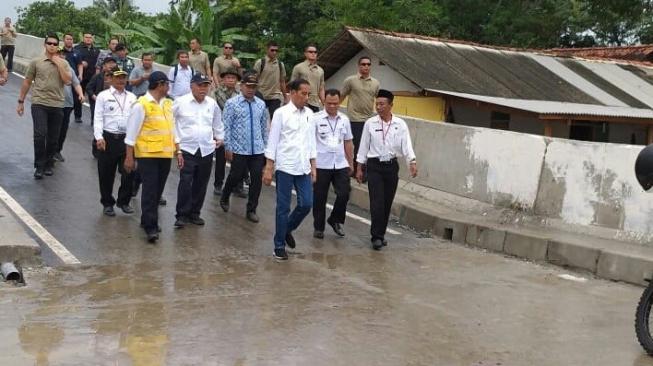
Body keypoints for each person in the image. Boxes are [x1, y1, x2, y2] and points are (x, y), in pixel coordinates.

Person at [355, 89, 418, 250]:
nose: (379, 107)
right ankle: (376, 236)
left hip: (391, 167)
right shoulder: (371, 123)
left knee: (386, 202)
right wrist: (359, 167)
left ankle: (381, 234)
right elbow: (363, 146)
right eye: (377, 104)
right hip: (374, 166)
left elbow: (406, 145)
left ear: (391, 105)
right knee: (377, 202)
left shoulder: (400, 124)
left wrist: (412, 161)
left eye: (382, 104)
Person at [263, 79, 316, 260]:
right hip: (285, 165)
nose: (306, 97)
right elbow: (273, 140)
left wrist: (313, 166)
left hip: (303, 166)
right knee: (283, 207)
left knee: (306, 204)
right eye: (303, 93)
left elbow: (311, 142)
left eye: (308, 94)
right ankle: (278, 246)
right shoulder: (281, 113)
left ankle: (287, 229)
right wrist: (269, 167)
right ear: (292, 93)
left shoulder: (310, 114)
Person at [124, 71, 180, 243]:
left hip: (165, 154)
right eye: (167, 84)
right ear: (159, 85)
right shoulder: (141, 104)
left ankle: (147, 219)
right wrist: (129, 157)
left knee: (158, 191)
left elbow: (173, 128)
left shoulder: (168, 104)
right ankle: (151, 227)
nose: (169, 87)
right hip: (147, 154)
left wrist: (178, 151)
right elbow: (131, 134)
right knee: (149, 190)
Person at [16, 34, 72, 179]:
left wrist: (57, 62)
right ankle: (39, 166)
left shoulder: (64, 63)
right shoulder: (36, 62)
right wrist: (21, 101)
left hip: (57, 104)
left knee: (53, 138)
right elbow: (27, 81)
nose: (52, 46)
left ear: (58, 46)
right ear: (45, 44)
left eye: (55, 44)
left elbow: (67, 81)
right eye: (50, 43)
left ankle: (48, 164)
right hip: (39, 103)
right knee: (40, 135)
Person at [173, 74, 223, 227]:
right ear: (192, 85)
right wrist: (177, 147)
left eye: (206, 85)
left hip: (206, 149)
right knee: (185, 182)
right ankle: (182, 214)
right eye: (200, 85)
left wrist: (220, 137)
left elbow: (217, 123)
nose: (203, 89)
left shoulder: (212, 104)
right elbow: (171, 123)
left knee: (201, 183)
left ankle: (195, 213)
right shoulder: (180, 102)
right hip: (187, 148)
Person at [220, 70, 268, 223]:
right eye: (248, 86)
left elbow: (263, 128)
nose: (251, 89)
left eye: (254, 86)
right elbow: (226, 126)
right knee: (236, 175)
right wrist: (228, 147)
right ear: (241, 86)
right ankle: (225, 195)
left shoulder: (261, 104)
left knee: (256, 179)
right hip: (239, 147)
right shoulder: (232, 103)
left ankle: (251, 209)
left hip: (257, 149)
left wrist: (266, 148)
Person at [94, 67, 137, 216]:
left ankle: (123, 201)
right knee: (106, 173)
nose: (121, 80)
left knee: (129, 171)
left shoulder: (132, 97)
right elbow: (98, 118)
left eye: (123, 77)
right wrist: (99, 137)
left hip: (126, 140)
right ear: (111, 79)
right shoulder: (103, 96)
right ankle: (107, 203)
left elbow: (136, 119)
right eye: (118, 77)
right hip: (108, 138)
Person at [311, 89, 354, 239]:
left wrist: (351, 162)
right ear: (324, 102)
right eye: (329, 103)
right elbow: (309, 142)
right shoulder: (315, 119)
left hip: (340, 163)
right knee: (319, 197)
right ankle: (318, 227)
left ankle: (335, 220)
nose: (333, 106)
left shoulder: (344, 119)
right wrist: (311, 165)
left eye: (336, 103)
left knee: (344, 193)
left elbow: (348, 142)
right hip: (321, 164)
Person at [341, 56, 380, 174]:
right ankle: (354, 171)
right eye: (363, 64)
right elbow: (341, 96)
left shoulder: (376, 83)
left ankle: (364, 172)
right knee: (357, 145)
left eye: (368, 64)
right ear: (358, 66)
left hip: (369, 120)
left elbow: (379, 101)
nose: (366, 66)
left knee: (368, 147)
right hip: (354, 119)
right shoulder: (350, 80)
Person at [213, 67, 240, 196]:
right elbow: (214, 110)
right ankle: (218, 184)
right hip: (221, 129)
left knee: (238, 160)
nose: (230, 80)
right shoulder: (216, 92)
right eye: (228, 77)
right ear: (223, 79)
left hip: (236, 130)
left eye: (233, 78)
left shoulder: (240, 95)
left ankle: (236, 185)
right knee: (220, 159)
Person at [56, 46, 84, 163]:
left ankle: (57, 150)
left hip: (67, 104)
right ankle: (48, 151)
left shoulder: (69, 69)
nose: (61, 56)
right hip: (54, 103)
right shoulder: (50, 68)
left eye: (62, 54)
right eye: (59, 54)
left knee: (63, 129)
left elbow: (76, 83)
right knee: (52, 129)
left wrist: (81, 94)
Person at [253, 41, 286, 118]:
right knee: (258, 118)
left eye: (276, 50)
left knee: (275, 119)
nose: (274, 52)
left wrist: (285, 97)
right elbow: (254, 79)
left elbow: (282, 81)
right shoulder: (260, 63)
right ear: (267, 50)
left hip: (275, 96)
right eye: (272, 50)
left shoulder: (280, 64)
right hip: (261, 95)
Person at [290, 44, 325, 113]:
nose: (313, 54)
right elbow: (292, 86)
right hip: (300, 101)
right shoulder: (298, 67)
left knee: (313, 123)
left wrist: (324, 103)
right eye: (310, 52)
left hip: (315, 103)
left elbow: (321, 88)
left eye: (315, 52)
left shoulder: (320, 70)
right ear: (305, 53)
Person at [74, 33, 100, 123]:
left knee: (93, 98)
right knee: (79, 96)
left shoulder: (96, 50)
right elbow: (74, 61)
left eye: (90, 38)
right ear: (83, 38)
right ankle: (78, 116)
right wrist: (81, 63)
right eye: (86, 37)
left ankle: (94, 119)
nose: (88, 39)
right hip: (81, 76)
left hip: (93, 78)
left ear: (92, 39)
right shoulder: (77, 49)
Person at [62, 33, 84, 124]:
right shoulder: (60, 52)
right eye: (67, 39)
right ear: (64, 40)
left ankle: (77, 116)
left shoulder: (76, 52)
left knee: (77, 98)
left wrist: (80, 74)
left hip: (74, 78)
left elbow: (80, 64)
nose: (69, 41)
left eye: (71, 39)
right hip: (63, 79)